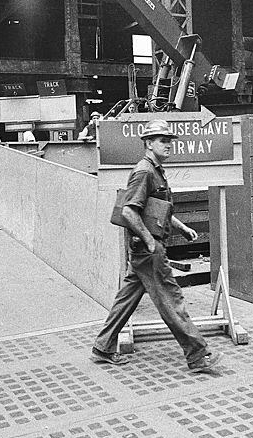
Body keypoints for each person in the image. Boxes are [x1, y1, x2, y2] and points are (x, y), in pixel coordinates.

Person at [91, 119, 223, 374]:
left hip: (144, 249)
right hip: (149, 250)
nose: (169, 145)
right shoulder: (145, 172)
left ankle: (103, 347)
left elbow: (156, 210)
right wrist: (152, 242)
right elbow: (130, 212)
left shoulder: (154, 170)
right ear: (148, 144)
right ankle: (198, 355)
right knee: (171, 299)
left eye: (169, 141)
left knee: (127, 298)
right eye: (163, 141)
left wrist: (181, 227)